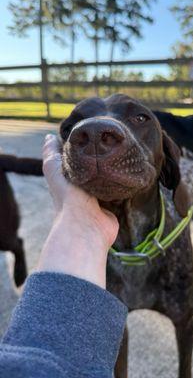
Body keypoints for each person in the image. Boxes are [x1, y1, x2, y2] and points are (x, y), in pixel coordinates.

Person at [0, 134, 127, 378]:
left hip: (3, 220)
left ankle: (17, 249)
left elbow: (18, 162)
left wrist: (69, 169)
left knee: (7, 241)